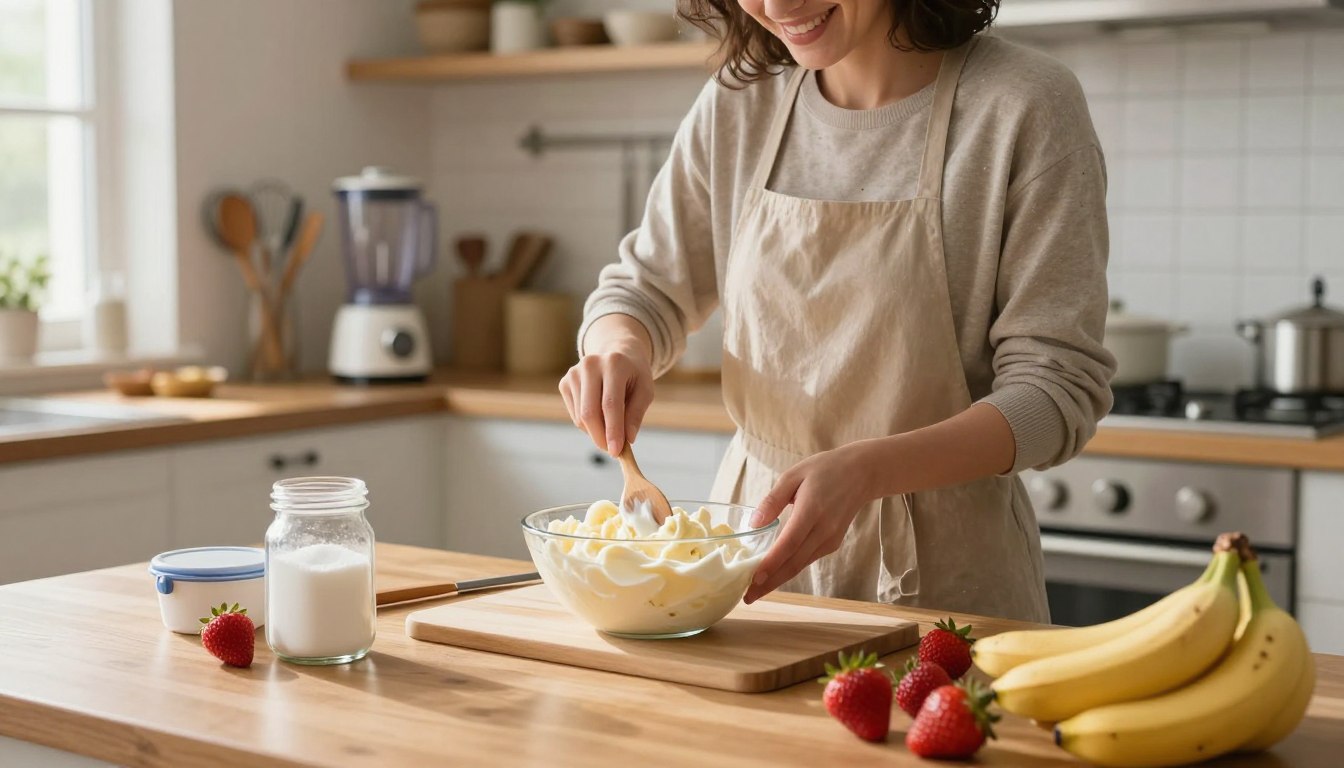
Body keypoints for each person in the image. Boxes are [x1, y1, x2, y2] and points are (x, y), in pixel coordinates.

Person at [558, 0, 1115, 622]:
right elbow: (642, 290)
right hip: (747, 569)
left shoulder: (1023, 105)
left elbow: (1056, 391)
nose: (776, 6)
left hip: (946, 592)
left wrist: (873, 469)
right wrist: (618, 349)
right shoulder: (741, 101)